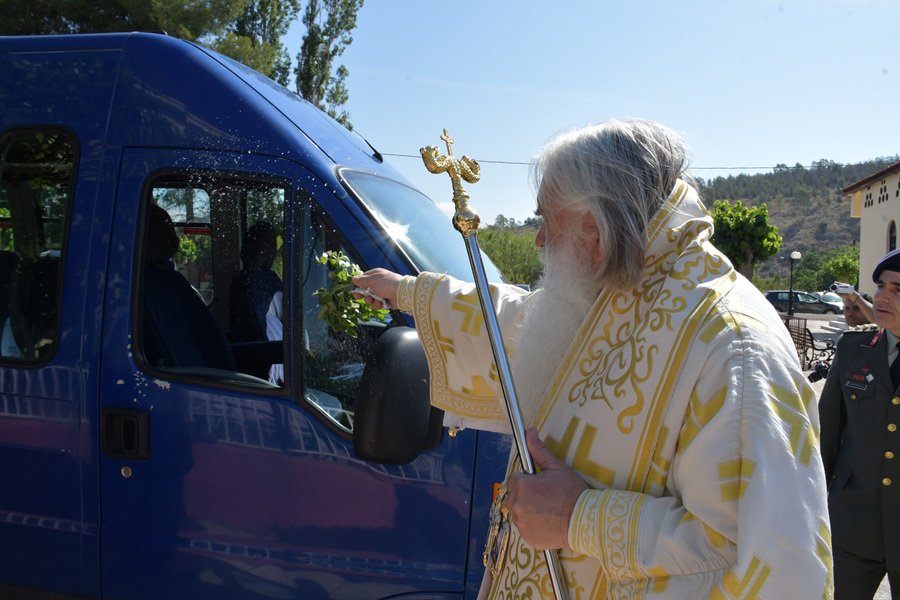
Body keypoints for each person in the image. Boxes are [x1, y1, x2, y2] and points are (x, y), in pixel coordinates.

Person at [353, 119, 832, 598]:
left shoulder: (735, 347)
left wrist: (578, 519)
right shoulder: (619, 289)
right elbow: (520, 322)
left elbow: (762, 554)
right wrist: (409, 293)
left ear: (595, 227)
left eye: (546, 219)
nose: (538, 240)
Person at [820, 249, 900, 599]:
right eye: (881, 286)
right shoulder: (853, 348)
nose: (881, 297)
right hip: (853, 521)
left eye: (898, 290)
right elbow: (826, 436)